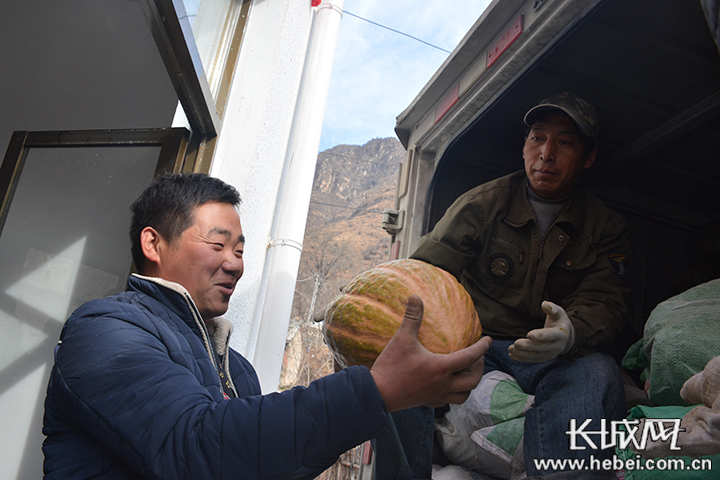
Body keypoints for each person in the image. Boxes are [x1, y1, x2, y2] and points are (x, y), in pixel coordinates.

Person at [41, 173, 492, 479]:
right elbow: (196, 448)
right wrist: (375, 392)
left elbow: (263, 464)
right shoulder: (104, 333)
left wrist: (369, 400)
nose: (234, 264)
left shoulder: (237, 369)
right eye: (219, 245)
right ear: (153, 243)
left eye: (240, 250)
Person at [380, 92, 630, 479]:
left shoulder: (605, 226)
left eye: (565, 142)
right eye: (537, 138)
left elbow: (606, 301)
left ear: (588, 157)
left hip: (550, 356)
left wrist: (570, 333)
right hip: (475, 343)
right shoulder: (483, 203)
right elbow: (424, 274)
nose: (546, 153)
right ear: (525, 146)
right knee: (406, 367)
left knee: (597, 371)